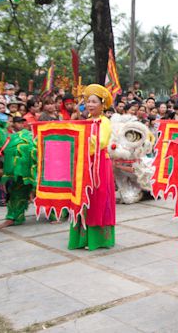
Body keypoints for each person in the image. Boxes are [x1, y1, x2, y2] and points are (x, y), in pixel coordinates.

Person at [68, 84, 116, 251]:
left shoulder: (105, 121)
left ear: (102, 105)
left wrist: (84, 141)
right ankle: (81, 238)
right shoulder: (85, 121)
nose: (90, 105)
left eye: (94, 102)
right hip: (84, 163)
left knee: (97, 197)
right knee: (83, 198)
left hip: (100, 163)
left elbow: (101, 142)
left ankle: (97, 239)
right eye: (88, 101)